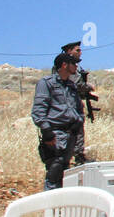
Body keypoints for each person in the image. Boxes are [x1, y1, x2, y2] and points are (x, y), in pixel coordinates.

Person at [32, 53, 85, 190]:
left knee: (65, 172)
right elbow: (38, 110)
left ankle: (62, 208)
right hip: (55, 134)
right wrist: (47, 131)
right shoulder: (47, 83)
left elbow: (78, 109)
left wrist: (78, 122)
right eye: (73, 63)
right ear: (64, 65)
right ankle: (50, 205)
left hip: (71, 134)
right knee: (55, 169)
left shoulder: (71, 86)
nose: (76, 66)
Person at [61, 41, 97, 165]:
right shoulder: (68, 65)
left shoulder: (69, 65)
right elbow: (77, 84)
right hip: (69, 105)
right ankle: (78, 158)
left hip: (71, 103)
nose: (80, 52)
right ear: (69, 51)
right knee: (75, 131)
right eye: (77, 50)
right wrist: (88, 87)